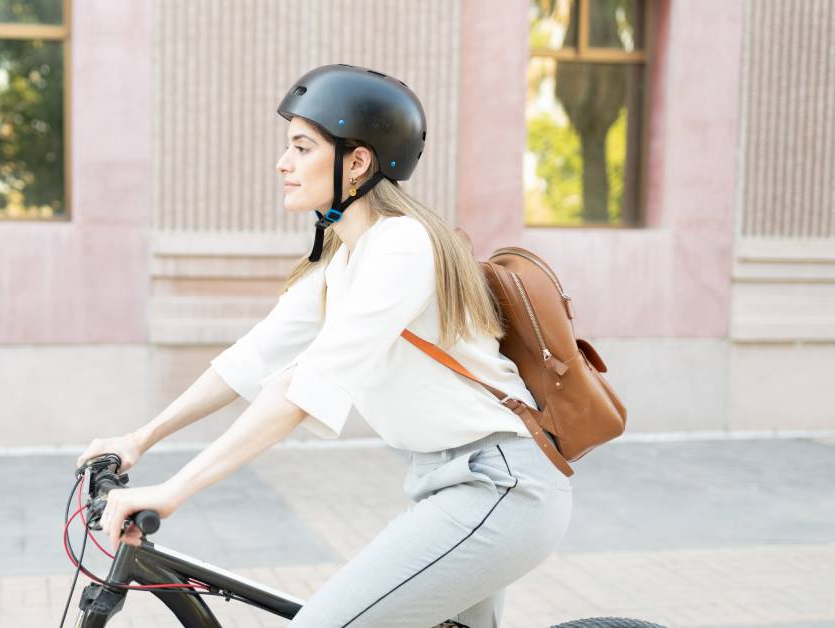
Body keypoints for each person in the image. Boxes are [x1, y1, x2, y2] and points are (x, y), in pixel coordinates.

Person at [77, 64, 572, 627]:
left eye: (302, 146)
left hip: (499, 488)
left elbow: (302, 387)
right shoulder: (348, 257)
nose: (283, 162)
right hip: (449, 487)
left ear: (357, 161)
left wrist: (174, 489)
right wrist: (139, 438)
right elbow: (254, 357)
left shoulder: (403, 247)